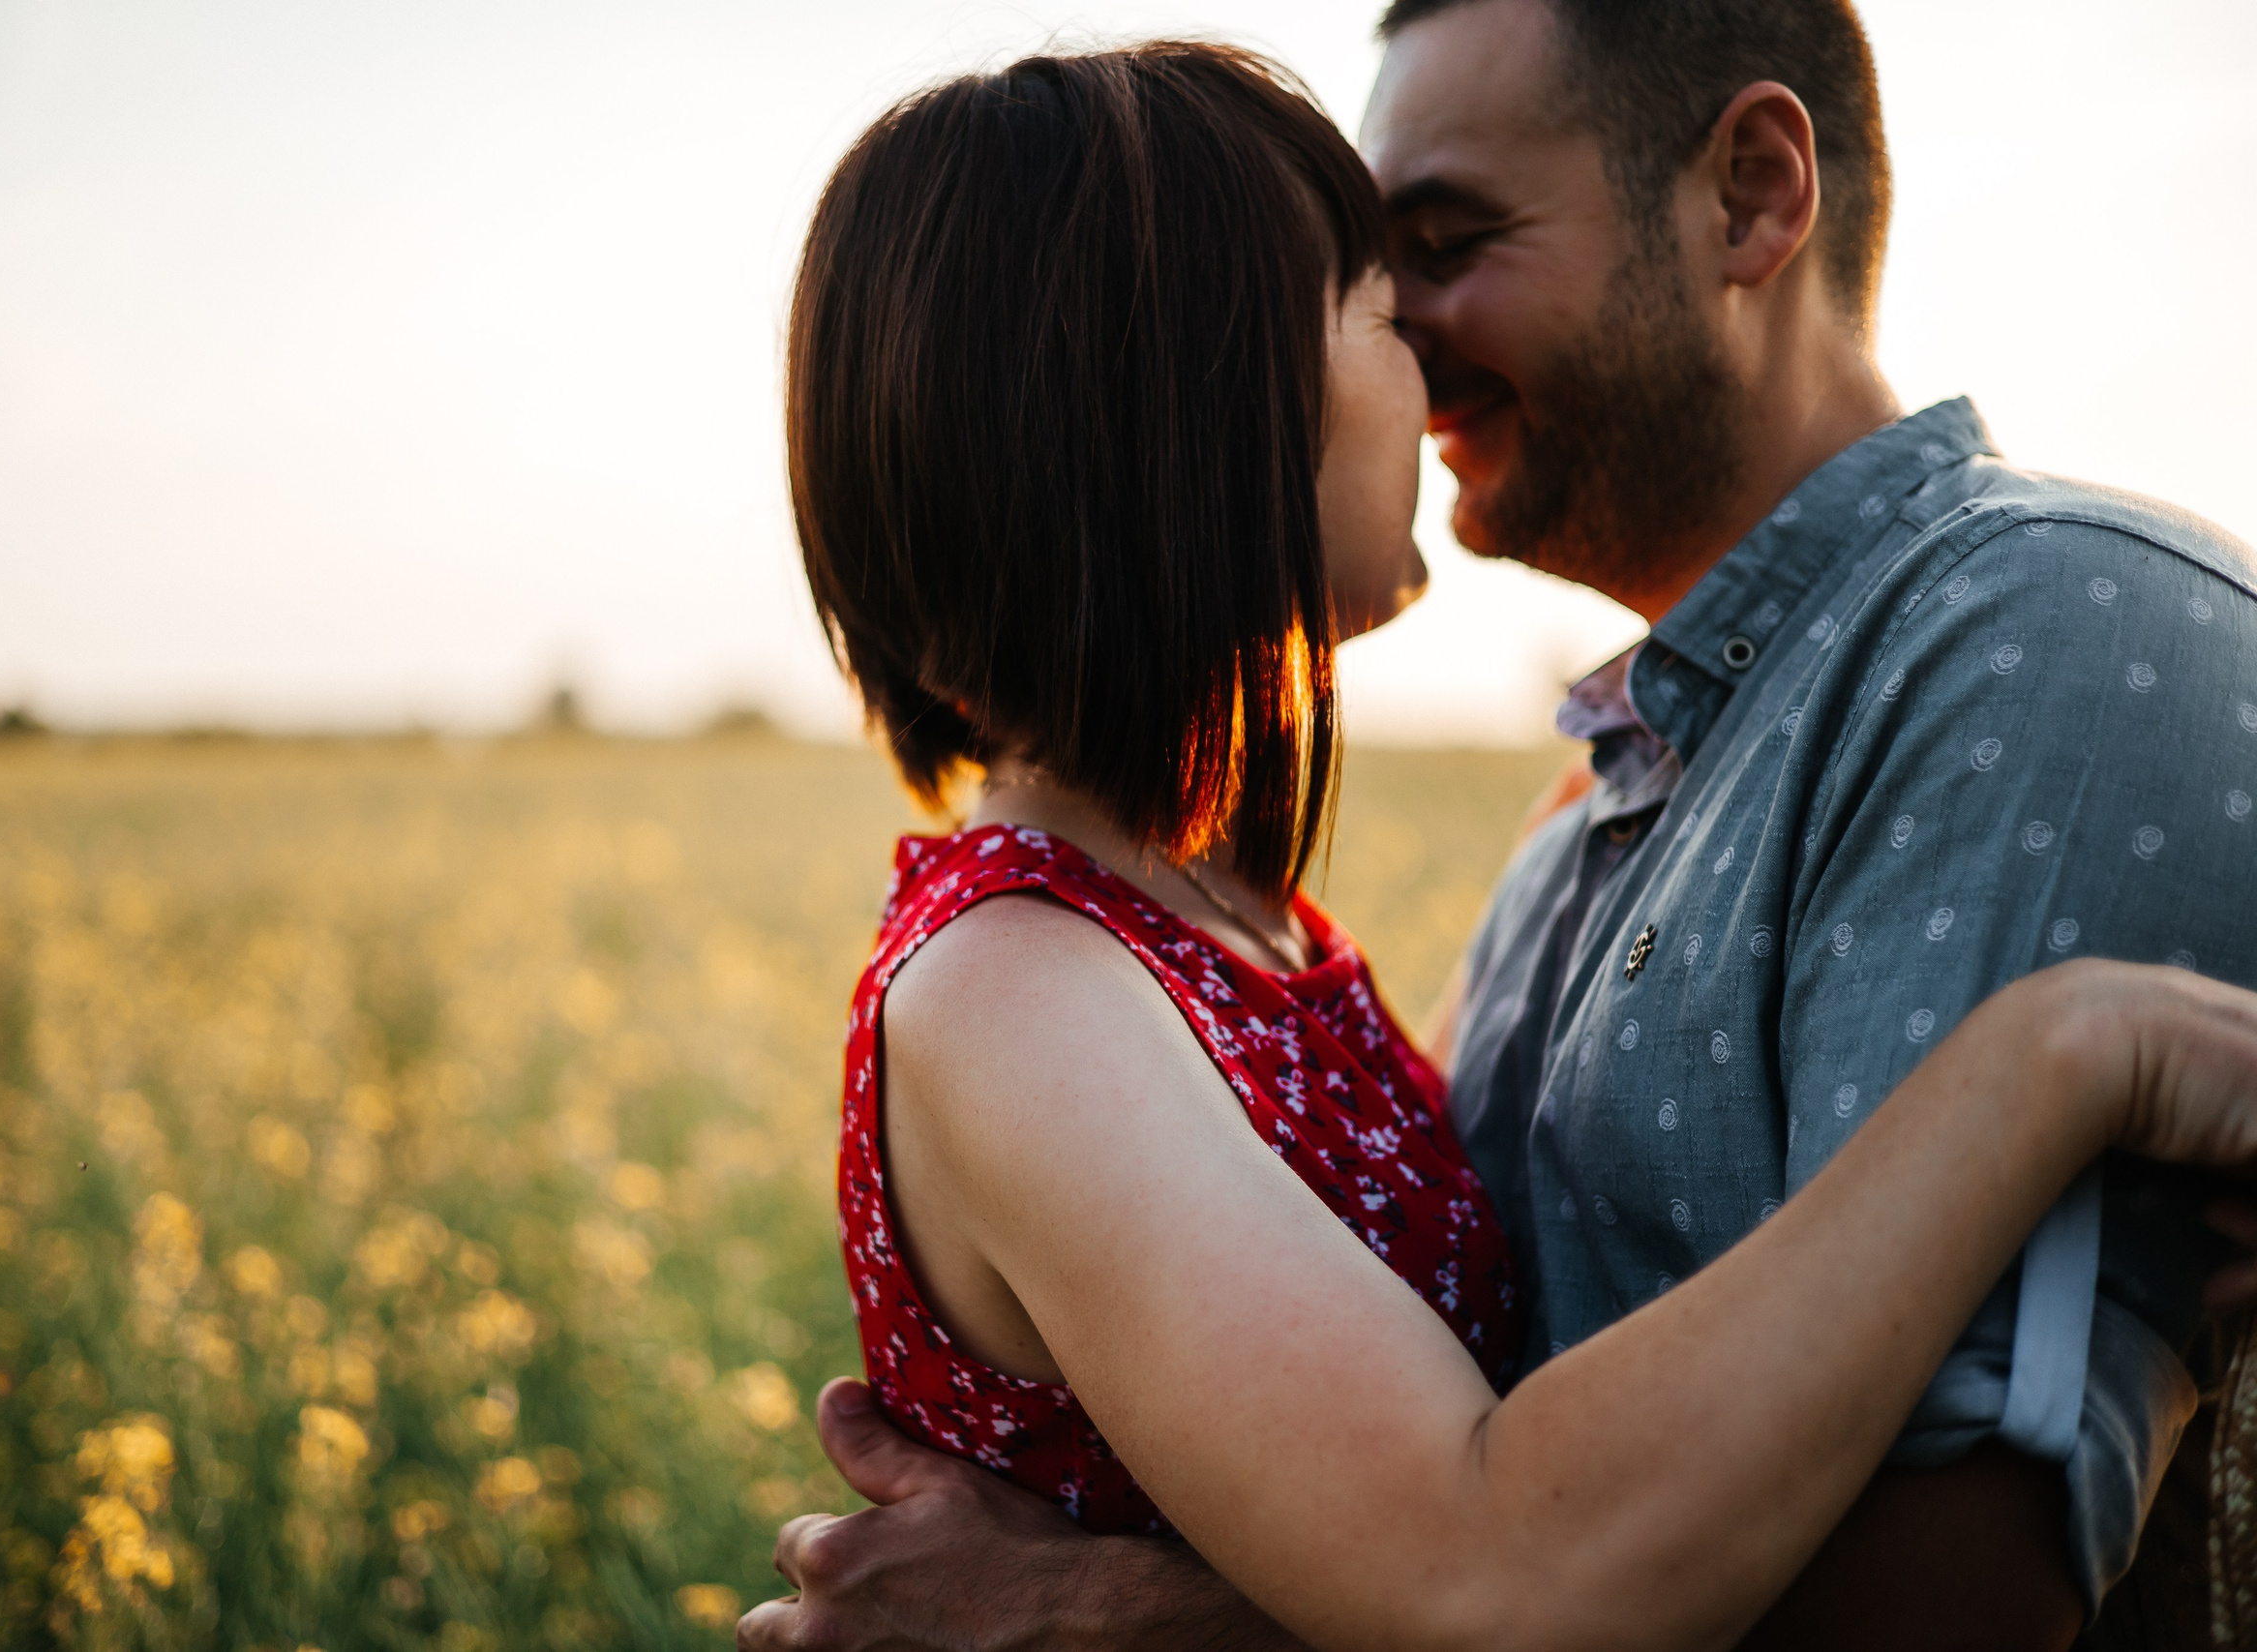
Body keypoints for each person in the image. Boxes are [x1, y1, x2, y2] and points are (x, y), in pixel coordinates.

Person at [747, 32, 2257, 1652]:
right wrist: (2060, 1054)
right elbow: (1488, 1565)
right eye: (1380, 302)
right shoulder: (1027, 989)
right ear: (1183, 408)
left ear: (1756, 199)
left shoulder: (2045, 645)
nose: (1425, 355)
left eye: (1444, 257)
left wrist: (1116, 1619)